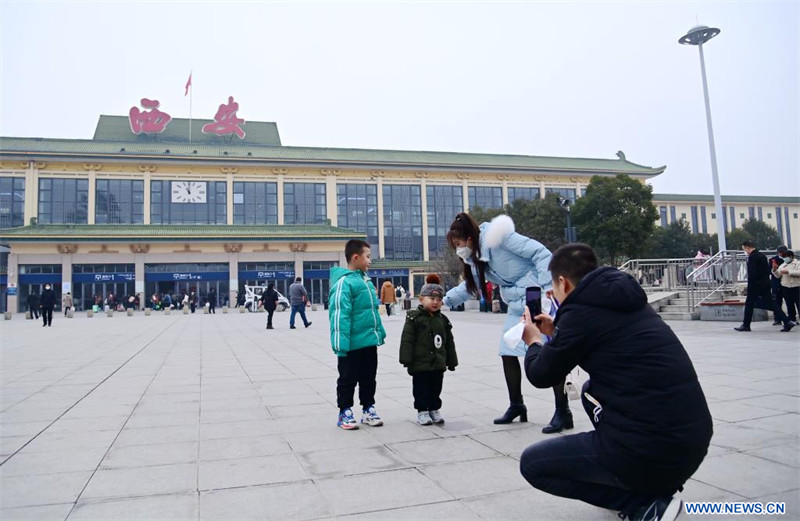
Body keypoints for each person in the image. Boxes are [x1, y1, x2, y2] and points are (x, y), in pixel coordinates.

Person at [519, 243, 713, 521]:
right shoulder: (627, 300)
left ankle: (641, 504)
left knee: (534, 464)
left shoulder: (580, 314)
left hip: (651, 449)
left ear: (562, 282)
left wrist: (534, 341)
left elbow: (540, 375)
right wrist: (557, 331)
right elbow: (598, 334)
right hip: (690, 442)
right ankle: (646, 483)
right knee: (589, 393)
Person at [442, 212, 570, 432]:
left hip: (536, 297)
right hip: (515, 304)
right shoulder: (475, 259)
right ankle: (517, 405)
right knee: (507, 351)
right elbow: (472, 286)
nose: (458, 249)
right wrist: (445, 299)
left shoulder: (501, 238)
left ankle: (563, 411)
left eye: (458, 243)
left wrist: (547, 285)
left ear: (470, 239)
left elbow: (540, 253)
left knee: (550, 354)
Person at [328, 239, 386, 430]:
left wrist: (379, 333)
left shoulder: (365, 281)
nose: (370, 261)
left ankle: (368, 408)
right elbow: (339, 315)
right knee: (347, 379)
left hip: (368, 342)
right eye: (368, 257)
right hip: (350, 345)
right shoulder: (344, 283)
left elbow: (372, 312)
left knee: (369, 378)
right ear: (356, 257)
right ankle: (345, 411)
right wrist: (340, 344)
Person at [399, 274, 458, 425]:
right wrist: (406, 358)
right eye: (432, 299)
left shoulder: (443, 320)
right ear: (421, 299)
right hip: (420, 363)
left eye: (439, 300)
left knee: (436, 387)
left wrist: (451, 361)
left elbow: (449, 342)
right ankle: (422, 411)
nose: (436, 302)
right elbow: (407, 339)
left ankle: (434, 408)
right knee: (420, 388)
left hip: (437, 362)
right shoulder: (414, 318)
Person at [735, 241, 794, 332]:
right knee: (772, 304)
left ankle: (746, 325)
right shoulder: (762, 256)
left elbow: (752, 273)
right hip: (765, 283)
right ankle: (787, 321)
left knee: (749, 304)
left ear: (748, 248)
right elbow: (766, 270)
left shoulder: (752, 257)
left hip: (755, 285)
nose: (745, 251)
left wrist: (750, 286)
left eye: (744, 249)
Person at [772, 250, 800, 325]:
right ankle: (792, 319)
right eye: (783, 257)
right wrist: (774, 270)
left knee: (798, 303)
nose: (785, 259)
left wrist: (789, 271)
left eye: (786, 257)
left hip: (796, 286)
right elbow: (778, 275)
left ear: (791, 257)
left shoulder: (797, 263)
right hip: (785, 286)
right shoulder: (783, 265)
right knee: (789, 304)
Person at [769, 245, 789, 325]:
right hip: (776, 283)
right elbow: (769, 271)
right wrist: (774, 269)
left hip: (787, 282)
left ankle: (792, 317)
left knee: (789, 301)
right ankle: (777, 319)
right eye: (780, 252)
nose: (781, 254)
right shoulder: (773, 260)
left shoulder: (789, 260)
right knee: (777, 302)